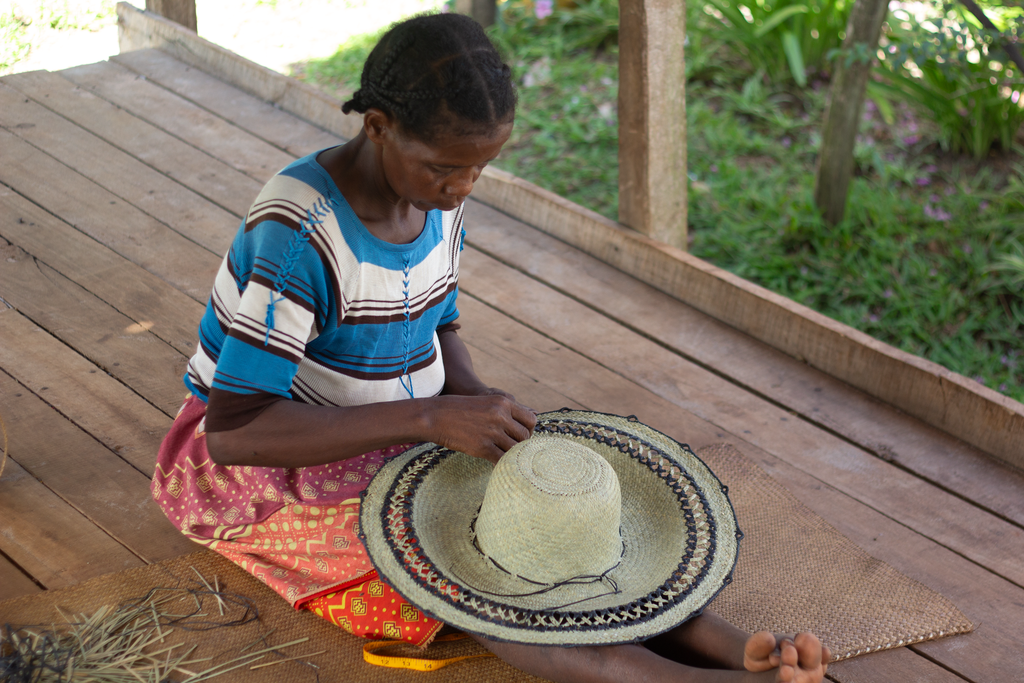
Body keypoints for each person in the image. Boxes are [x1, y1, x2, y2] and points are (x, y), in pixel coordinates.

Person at [151, 12, 829, 683]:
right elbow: (236, 430)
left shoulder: (432, 197)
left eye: (480, 167)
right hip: (265, 468)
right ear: (378, 126)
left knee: (543, 522)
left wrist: (468, 391)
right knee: (472, 573)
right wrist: (428, 417)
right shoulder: (299, 234)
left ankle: (731, 646)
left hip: (396, 437)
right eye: (447, 168)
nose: (464, 187)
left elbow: (436, 317)